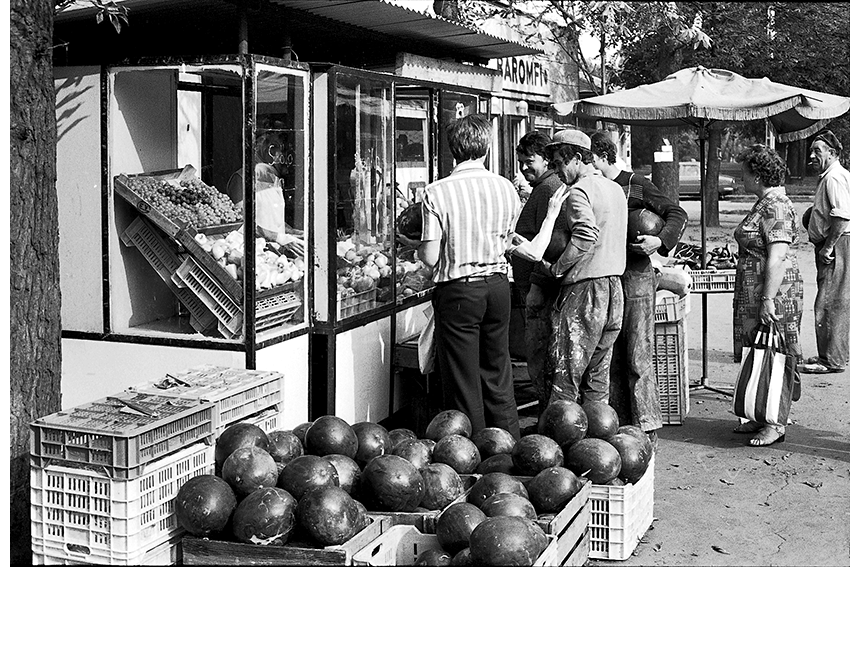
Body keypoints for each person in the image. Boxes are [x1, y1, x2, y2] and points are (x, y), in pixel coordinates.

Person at [417, 115, 522, 440]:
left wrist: (417, 249)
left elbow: (430, 256)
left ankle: (473, 457)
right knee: (497, 374)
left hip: (459, 292)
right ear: (486, 148)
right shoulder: (506, 188)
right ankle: (510, 450)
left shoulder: (436, 192)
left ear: (453, 150)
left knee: (463, 382)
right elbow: (507, 241)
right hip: (498, 287)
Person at [590, 131, 688, 445]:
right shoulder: (590, 188)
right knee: (611, 353)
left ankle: (647, 425)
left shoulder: (635, 182)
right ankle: (618, 422)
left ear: (601, 157)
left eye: (589, 160)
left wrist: (660, 241)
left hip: (636, 278)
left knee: (637, 353)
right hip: (606, 276)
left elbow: (676, 213)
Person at [534, 129, 627, 406]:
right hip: (613, 291)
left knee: (565, 376)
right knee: (597, 378)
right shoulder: (615, 189)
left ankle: (561, 443)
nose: (557, 171)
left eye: (560, 163)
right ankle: (597, 442)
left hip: (585, 291)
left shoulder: (580, 191)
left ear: (576, 158)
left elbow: (586, 234)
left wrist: (557, 268)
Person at [731, 145, 803, 446]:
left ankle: (776, 421)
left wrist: (767, 299)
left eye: (744, 172)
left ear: (758, 175)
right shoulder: (763, 202)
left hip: (774, 292)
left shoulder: (776, 206)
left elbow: (777, 258)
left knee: (777, 355)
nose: (740, 177)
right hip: (757, 289)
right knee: (760, 351)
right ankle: (761, 412)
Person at [509, 131, 564, 412]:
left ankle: (546, 408)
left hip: (538, 285)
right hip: (533, 283)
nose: (523, 167)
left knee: (540, 350)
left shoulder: (546, 189)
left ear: (546, 160)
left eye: (529, 161)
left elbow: (548, 242)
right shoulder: (544, 188)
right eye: (521, 162)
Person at [797, 130, 850, 375]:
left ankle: (831, 360)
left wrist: (828, 246)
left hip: (836, 245)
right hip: (836, 243)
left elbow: (842, 216)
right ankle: (832, 354)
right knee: (834, 300)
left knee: (829, 302)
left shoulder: (833, 178)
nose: (812, 155)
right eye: (811, 150)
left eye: (818, 150)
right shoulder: (832, 176)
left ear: (833, 153)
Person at [227, 130, 301, 239]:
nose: (281, 155)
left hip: (276, 251)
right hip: (257, 248)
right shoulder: (241, 178)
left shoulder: (275, 181)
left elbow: (274, 220)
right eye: (275, 147)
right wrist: (276, 237)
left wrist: (291, 232)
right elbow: (241, 222)